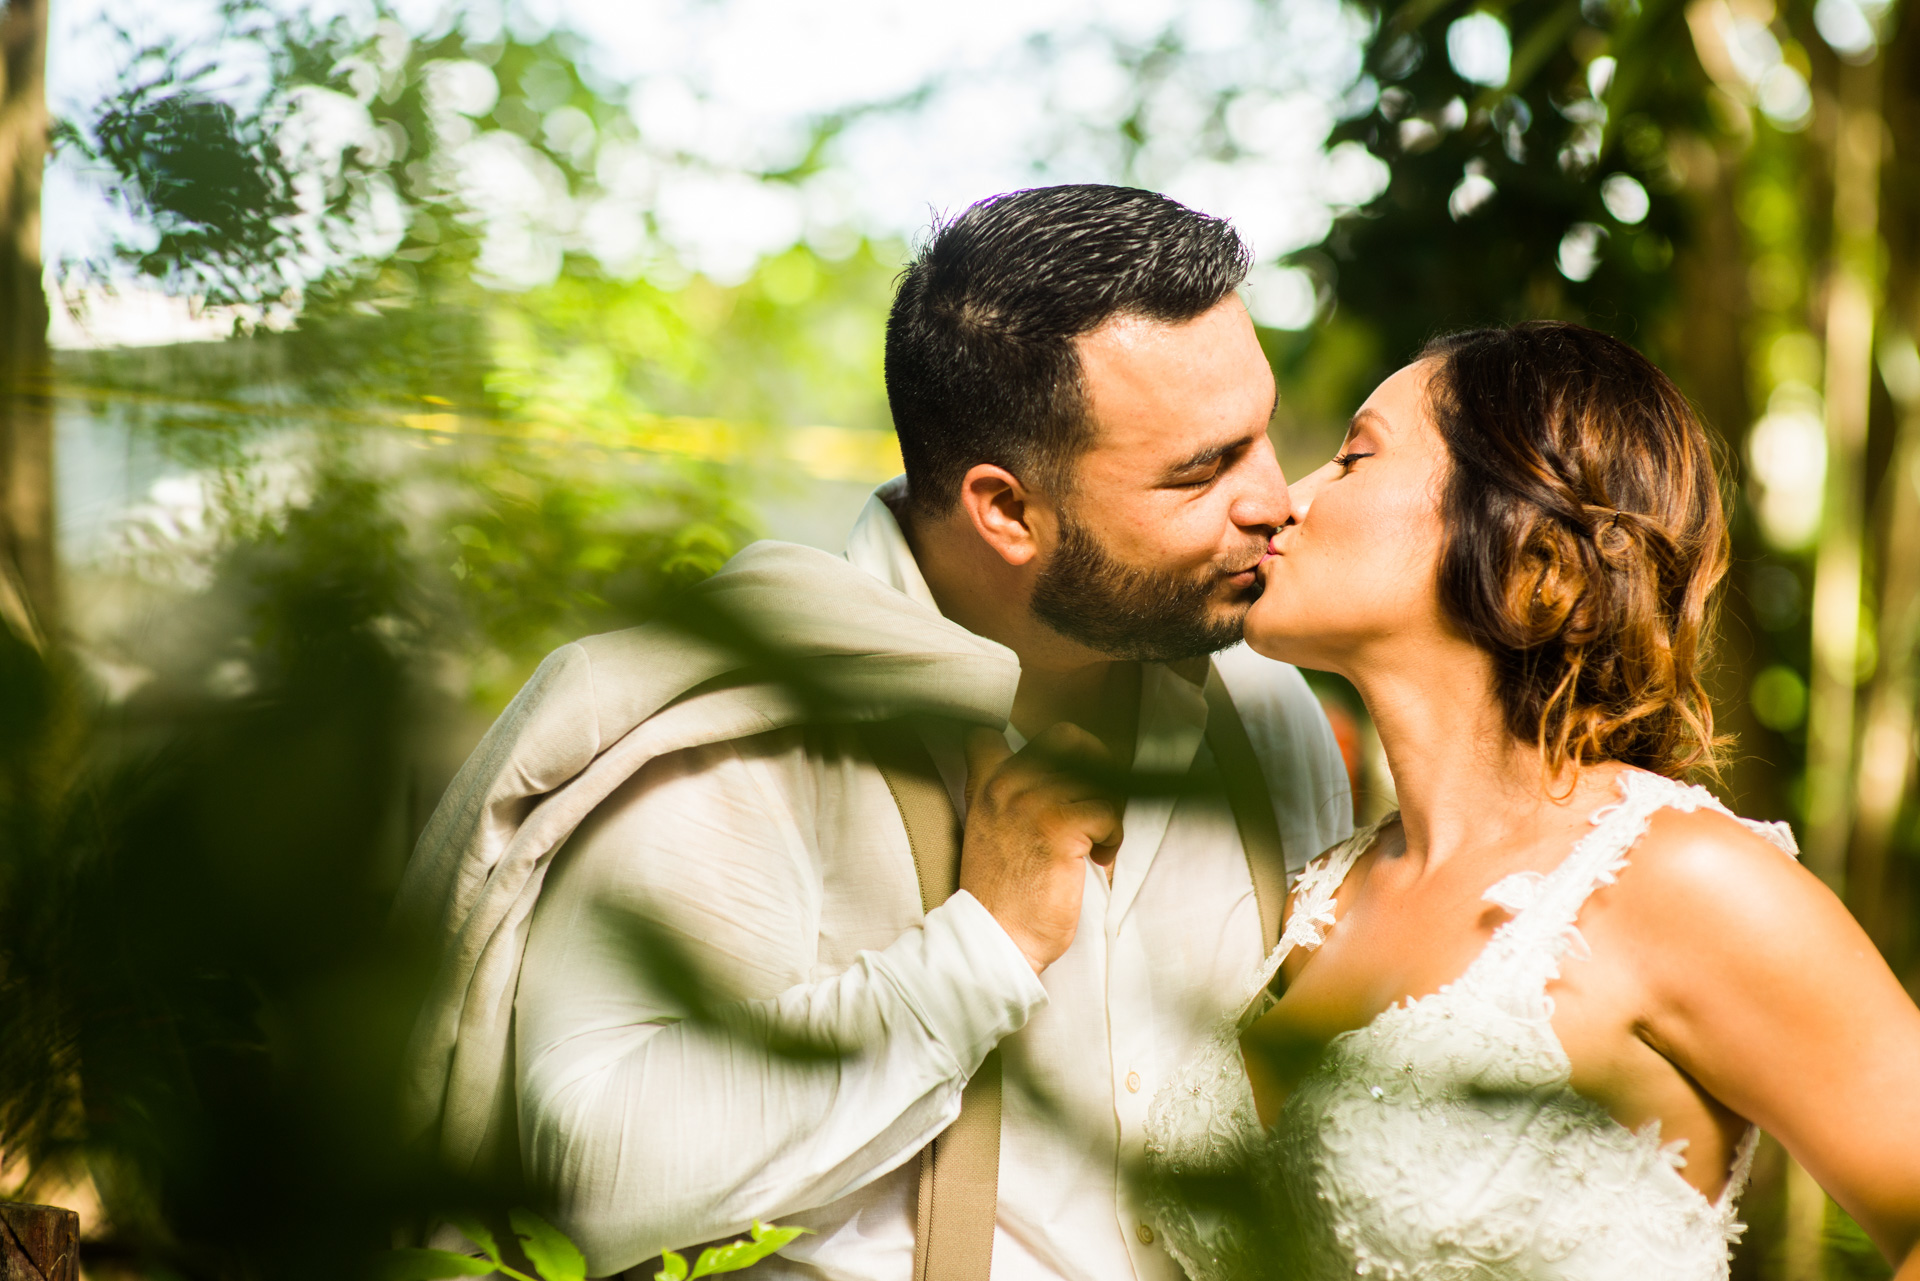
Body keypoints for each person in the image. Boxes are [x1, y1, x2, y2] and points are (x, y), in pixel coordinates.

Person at [392, 184, 1351, 1281]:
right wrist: (976, 953)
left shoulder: (1267, 711)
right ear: (1006, 511)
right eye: (1202, 470)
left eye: (1261, 433)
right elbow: (590, 1171)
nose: (1277, 498)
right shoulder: (744, 737)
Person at [1144, 321, 1920, 1280]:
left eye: (1352, 458)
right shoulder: (1318, 893)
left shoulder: (1683, 880)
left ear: (1534, 556)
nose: (1282, 501)